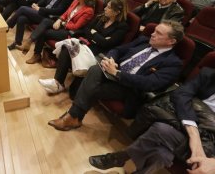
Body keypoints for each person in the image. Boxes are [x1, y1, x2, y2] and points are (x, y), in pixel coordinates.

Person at [89, 51, 215, 174]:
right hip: (180, 122)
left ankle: (120, 157)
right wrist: (194, 134)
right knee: (162, 154)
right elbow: (180, 94)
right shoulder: (208, 74)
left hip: (210, 144)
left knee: (161, 131)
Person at [47, 21, 184, 130]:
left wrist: (118, 74)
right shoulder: (143, 41)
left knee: (92, 85)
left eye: (158, 33)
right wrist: (110, 59)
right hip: (112, 73)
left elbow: (149, 83)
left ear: (171, 41)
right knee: (95, 69)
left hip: (130, 89)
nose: (152, 34)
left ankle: (73, 116)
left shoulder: (173, 63)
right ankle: (73, 117)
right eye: (154, 31)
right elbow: (117, 50)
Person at [38, 0, 128, 94]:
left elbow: (107, 44)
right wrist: (98, 37)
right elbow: (87, 29)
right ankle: (58, 83)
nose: (105, 8)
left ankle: (63, 81)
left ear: (116, 12)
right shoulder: (101, 16)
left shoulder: (122, 27)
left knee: (73, 94)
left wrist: (94, 33)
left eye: (109, 7)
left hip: (98, 53)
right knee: (66, 47)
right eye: (106, 6)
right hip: (87, 44)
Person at [20, 0, 97, 64]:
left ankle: (36, 55)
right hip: (63, 24)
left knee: (44, 32)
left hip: (69, 32)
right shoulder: (75, 2)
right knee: (46, 21)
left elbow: (76, 26)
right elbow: (66, 13)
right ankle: (29, 41)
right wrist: (59, 20)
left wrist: (63, 23)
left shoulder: (89, 11)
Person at [7, 0, 72, 50]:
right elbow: (45, 1)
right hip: (42, 13)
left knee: (23, 8)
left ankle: (7, 26)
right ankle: (17, 42)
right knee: (21, 19)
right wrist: (37, 4)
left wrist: (40, 9)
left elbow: (58, 11)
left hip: (49, 18)